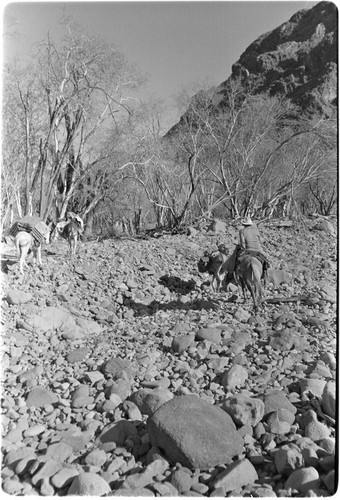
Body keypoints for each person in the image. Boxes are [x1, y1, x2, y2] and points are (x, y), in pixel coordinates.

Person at [222, 217, 270, 285]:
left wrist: (241, 248)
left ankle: (232, 274)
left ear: (244, 224)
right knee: (266, 261)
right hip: (259, 250)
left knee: (235, 259)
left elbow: (243, 245)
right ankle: (265, 275)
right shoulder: (256, 230)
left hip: (248, 250)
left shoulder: (242, 231)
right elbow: (260, 241)